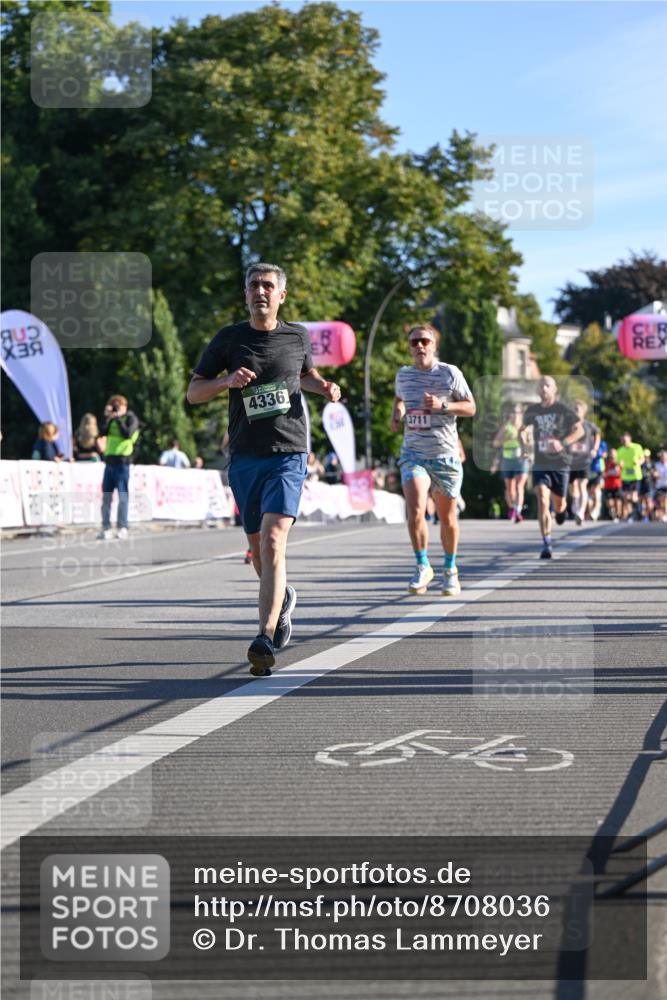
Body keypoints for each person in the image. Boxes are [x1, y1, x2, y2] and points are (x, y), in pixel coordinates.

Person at [187, 262, 341, 676]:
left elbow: (304, 376)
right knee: (257, 549)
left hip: (289, 451)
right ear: (246, 294)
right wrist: (226, 382)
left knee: (274, 541)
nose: (261, 291)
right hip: (245, 455)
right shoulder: (229, 338)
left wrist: (324, 386)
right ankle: (284, 597)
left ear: (281, 296)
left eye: (268, 285)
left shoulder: (297, 336)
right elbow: (194, 392)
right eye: (254, 284)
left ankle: (264, 636)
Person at [391, 323, 476, 596]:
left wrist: (443, 406)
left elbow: (471, 407)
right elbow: (399, 399)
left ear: (434, 345)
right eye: (414, 342)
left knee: (447, 518)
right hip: (413, 454)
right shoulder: (403, 376)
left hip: (445, 455)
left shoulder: (450, 374)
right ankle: (422, 564)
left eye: (425, 341)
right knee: (415, 508)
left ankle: (450, 570)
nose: (420, 346)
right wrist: (397, 413)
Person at [520, 376, 583, 559]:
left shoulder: (563, 409)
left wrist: (562, 442)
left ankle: (562, 511)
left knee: (559, 503)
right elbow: (522, 430)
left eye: (547, 385)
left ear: (554, 390)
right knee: (542, 496)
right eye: (541, 386)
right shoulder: (532, 410)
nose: (544, 389)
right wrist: (525, 446)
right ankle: (546, 542)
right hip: (541, 462)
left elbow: (579, 430)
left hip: (561, 463)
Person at [97, 394, 140, 540]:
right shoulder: (111, 420)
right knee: (106, 497)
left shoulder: (130, 418)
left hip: (123, 463)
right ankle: (106, 527)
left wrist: (117, 418)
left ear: (124, 407)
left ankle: (122, 526)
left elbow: (127, 433)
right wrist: (107, 417)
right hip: (109, 462)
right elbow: (101, 432)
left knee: (122, 496)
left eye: (118, 406)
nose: (116, 409)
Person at [492, 403, 529, 522]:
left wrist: (525, 443)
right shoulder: (506, 427)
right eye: (512, 412)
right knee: (509, 488)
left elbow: (531, 443)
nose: (514, 415)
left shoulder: (525, 427)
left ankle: (518, 510)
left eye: (517, 412)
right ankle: (512, 507)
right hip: (508, 459)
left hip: (521, 460)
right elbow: (495, 443)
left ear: (521, 414)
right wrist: (505, 439)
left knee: (519, 486)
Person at [567, 399, 600, 525]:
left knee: (582, 485)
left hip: (584, 459)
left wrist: (595, 449)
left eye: (577, 410)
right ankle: (576, 502)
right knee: (572, 487)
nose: (575, 412)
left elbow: (597, 435)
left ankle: (580, 512)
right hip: (571, 460)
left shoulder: (589, 425)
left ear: (583, 412)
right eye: (573, 409)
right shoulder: (569, 425)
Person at [617, 432, 645, 521]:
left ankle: (639, 510)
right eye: (623, 440)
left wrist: (639, 462)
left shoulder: (637, 447)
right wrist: (619, 464)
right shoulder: (620, 450)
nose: (624, 442)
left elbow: (642, 458)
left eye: (625, 440)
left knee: (633, 497)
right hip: (625, 476)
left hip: (635, 476)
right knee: (626, 497)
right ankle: (630, 514)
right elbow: (618, 462)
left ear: (630, 439)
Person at [587, 436, 608, 521]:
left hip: (598, 470)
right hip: (588, 470)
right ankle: (590, 513)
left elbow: (604, 454)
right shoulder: (586, 442)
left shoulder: (602, 444)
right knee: (588, 493)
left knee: (596, 491)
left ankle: (595, 511)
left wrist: (596, 453)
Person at [602, 448, 623, 522]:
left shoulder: (619, 462)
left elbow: (618, 472)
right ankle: (613, 512)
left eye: (614, 453)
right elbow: (604, 473)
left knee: (617, 501)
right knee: (609, 502)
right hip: (608, 485)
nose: (612, 455)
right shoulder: (606, 462)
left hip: (617, 485)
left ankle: (618, 515)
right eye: (611, 453)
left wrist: (609, 473)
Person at [653, 449, 667, 522]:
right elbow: (654, 473)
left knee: (665, 499)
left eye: (665, 456)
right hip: (660, 486)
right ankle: (663, 514)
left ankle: (665, 515)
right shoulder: (657, 464)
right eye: (662, 456)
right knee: (661, 502)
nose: (663, 457)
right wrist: (656, 475)